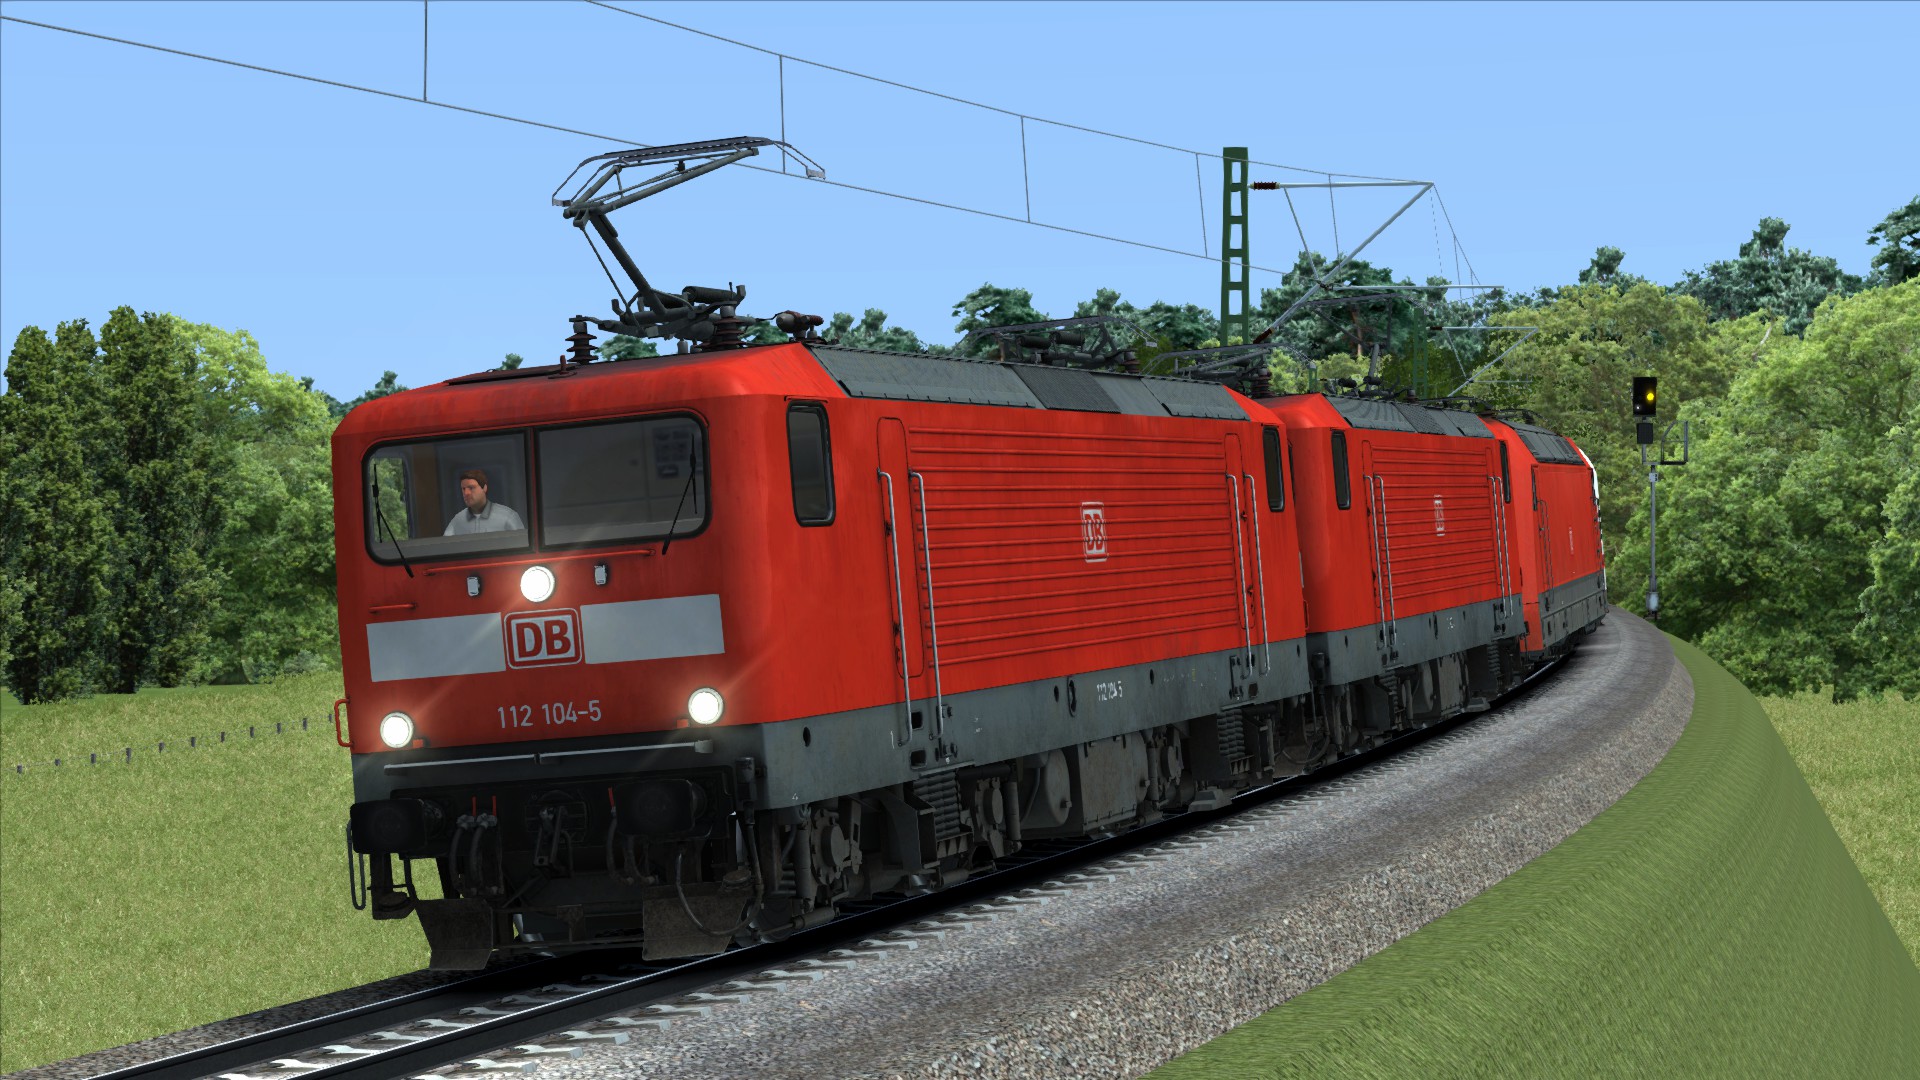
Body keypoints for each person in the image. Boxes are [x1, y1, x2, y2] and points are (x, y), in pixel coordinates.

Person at [444, 468, 526, 535]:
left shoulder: (508, 516)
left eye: (471, 488)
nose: (466, 493)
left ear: (484, 488)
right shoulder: (457, 521)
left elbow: (522, 545)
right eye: (463, 489)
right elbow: (446, 547)